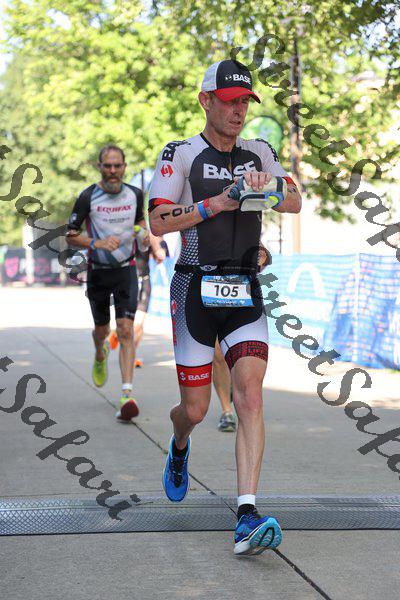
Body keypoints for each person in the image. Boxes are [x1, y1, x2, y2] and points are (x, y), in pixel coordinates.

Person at [149, 59, 302, 555]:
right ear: (206, 100)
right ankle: (179, 445)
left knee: (249, 395)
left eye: (245, 103)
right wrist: (217, 202)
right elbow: (158, 221)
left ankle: (246, 514)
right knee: (194, 410)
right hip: (193, 289)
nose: (239, 112)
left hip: (245, 288)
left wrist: (266, 188)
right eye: (230, 101)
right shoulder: (181, 153)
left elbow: (295, 200)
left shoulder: (259, 151)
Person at [65, 144, 150, 420]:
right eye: (107, 166)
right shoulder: (88, 196)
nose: (113, 171)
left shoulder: (135, 194)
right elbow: (70, 235)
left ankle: (127, 394)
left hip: (126, 271)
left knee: (125, 330)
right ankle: (100, 353)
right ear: (100, 167)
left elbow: (140, 223)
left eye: (117, 165)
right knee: (101, 330)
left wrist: (143, 235)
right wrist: (96, 243)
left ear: (124, 167)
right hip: (99, 272)